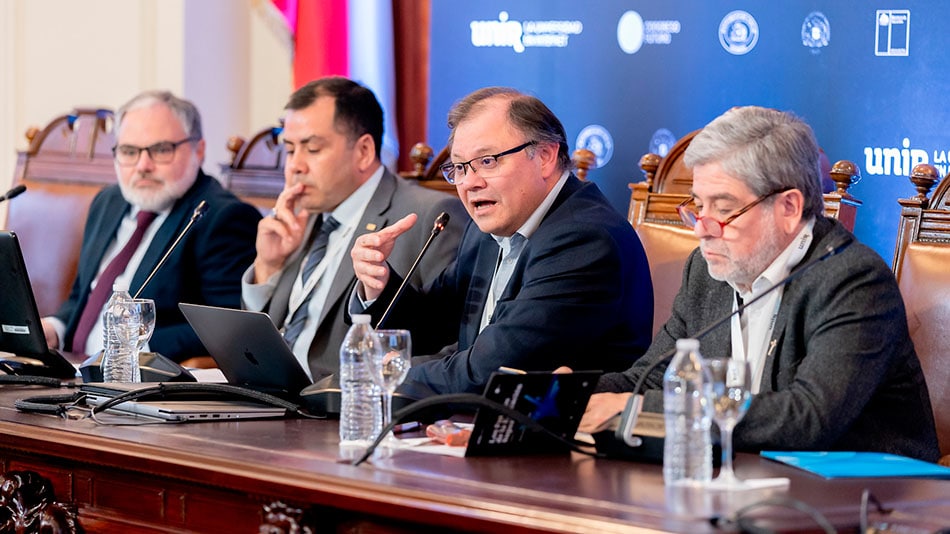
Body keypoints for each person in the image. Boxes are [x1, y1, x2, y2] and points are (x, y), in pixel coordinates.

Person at [581, 106, 939, 461]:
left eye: (723, 209)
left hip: (871, 498)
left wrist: (641, 407)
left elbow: (809, 417)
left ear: (788, 208)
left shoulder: (853, 280)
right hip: (747, 478)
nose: (702, 228)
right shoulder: (707, 271)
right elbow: (649, 378)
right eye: (698, 206)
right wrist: (559, 396)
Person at [351, 87, 654, 394]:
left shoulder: (584, 241)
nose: (469, 182)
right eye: (458, 167)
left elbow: (495, 371)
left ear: (546, 156)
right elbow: (432, 325)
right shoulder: (491, 227)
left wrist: (384, 374)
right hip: (477, 423)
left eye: (487, 161)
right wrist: (378, 284)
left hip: (557, 434)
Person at [242, 77, 466, 382]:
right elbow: (257, 345)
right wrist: (269, 266)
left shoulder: (428, 216)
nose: (294, 166)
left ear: (363, 151)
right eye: (290, 150)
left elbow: (444, 342)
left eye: (312, 149)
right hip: (271, 398)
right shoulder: (304, 217)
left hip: (345, 406)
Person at [41, 90, 261, 362]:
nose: (143, 165)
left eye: (160, 150)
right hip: (72, 368)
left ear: (199, 150)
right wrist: (56, 328)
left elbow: (227, 327)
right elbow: (83, 296)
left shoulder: (221, 217)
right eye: (129, 151)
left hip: (140, 384)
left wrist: (132, 348)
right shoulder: (108, 202)